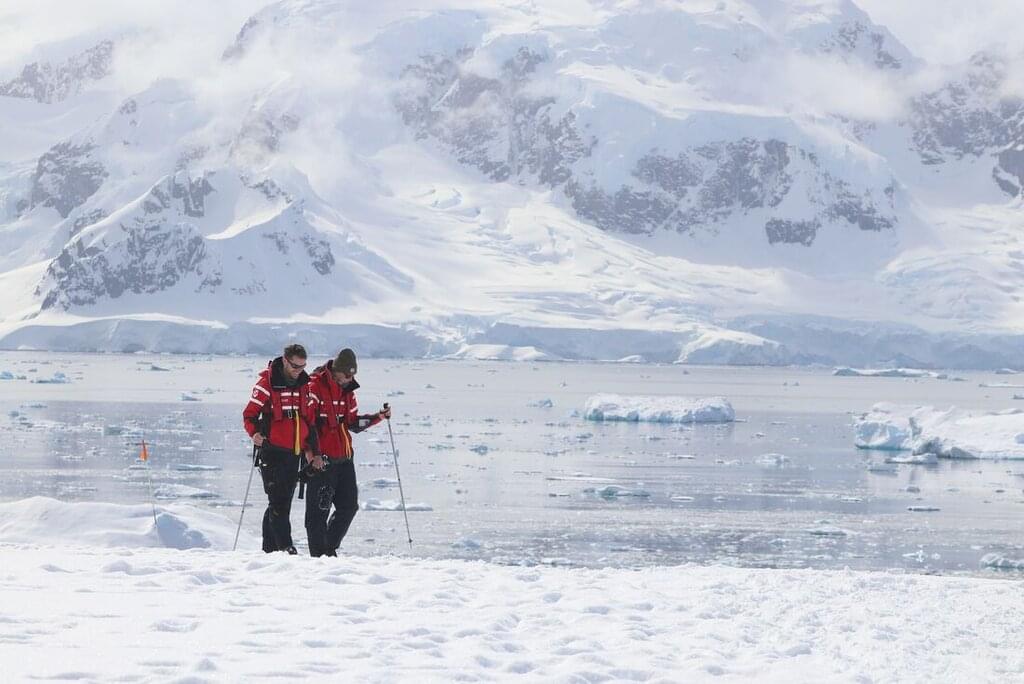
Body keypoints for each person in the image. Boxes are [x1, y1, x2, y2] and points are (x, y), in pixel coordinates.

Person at [304, 347, 390, 557]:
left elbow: (352, 423)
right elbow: (307, 424)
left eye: (352, 375)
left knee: (349, 507)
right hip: (321, 460)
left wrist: (378, 417)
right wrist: (313, 455)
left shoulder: (348, 391)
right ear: (336, 371)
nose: (350, 379)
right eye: (347, 375)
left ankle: (328, 549)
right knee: (318, 512)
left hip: (344, 459)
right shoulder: (314, 387)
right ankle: (319, 557)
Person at [242, 343, 321, 554]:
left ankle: (269, 551)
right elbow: (249, 415)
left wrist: (314, 453)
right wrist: (254, 434)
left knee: (282, 501)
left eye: (303, 366)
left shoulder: (304, 385)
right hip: (272, 451)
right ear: (285, 361)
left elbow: (309, 421)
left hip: (294, 452)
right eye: (295, 366)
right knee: (278, 501)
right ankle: (286, 548)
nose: (299, 371)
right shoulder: (266, 384)